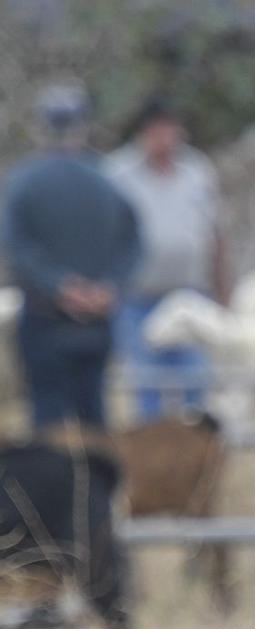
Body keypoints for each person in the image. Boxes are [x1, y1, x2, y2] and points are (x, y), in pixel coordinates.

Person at [2, 83, 142, 444]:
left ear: (41, 127)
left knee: (48, 417)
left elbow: (16, 245)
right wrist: (109, 285)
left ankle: (50, 498)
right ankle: (94, 495)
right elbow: (134, 241)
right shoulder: (108, 180)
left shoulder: (21, 182)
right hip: (98, 319)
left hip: (45, 317)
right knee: (94, 414)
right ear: (82, 126)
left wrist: (61, 286)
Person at [105, 97, 230, 421]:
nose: (164, 138)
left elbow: (215, 233)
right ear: (142, 133)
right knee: (147, 382)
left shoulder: (197, 170)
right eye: (156, 131)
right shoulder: (118, 173)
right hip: (138, 297)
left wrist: (223, 293)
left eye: (169, 130)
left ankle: (195, 461)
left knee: (196, 380)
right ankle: (153, 460)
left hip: (190, 297)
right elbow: (104, 234)